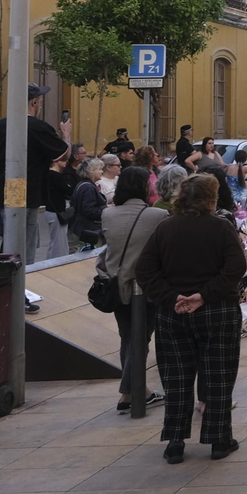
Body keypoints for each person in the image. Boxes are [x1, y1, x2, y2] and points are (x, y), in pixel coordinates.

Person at [135, 174, 246, 463]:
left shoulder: (165, 229)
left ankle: (175, 441)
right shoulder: (221, 229)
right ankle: (219, 440)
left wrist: (172, 298)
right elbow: (236, 267)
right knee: (219, 375)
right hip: (217, 311)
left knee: (176, 377)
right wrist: (204, 295)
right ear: (211, 199)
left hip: (174, 315)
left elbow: (145, 270)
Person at [100, 166, 167, 412]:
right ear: (142, 186)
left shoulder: (107, 215)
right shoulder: (158, 216)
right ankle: (129, 395)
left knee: (127, 338)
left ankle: (136, 392)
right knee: (140, 340)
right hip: (145, 289)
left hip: (116, 288)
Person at [0, 83, 68, 258]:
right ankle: (18, 282)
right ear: (34, 102)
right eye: (40, 101)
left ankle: (7, 276)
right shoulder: (39, 127)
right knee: (22, 251)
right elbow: (63, 155)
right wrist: (66, 133)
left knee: (9, 243)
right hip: (25, 195)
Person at [41, 153, 74, 262]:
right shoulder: (55, 176)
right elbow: (68, 190)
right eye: (63, 160)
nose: (66, 162)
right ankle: (57, 263)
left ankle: (50, 261)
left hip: (51, 211)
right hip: (57, 211)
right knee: (59, 242)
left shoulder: (47, 175)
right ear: (55, 161)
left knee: (55, 241)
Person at [71, 158, 109, 250]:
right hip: (88, 231)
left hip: (82, 229)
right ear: (91, 171)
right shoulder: (88, 187)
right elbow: (89, 210)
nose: (102, 172)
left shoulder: (82, 184)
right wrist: (106, 209)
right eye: (99, 169)